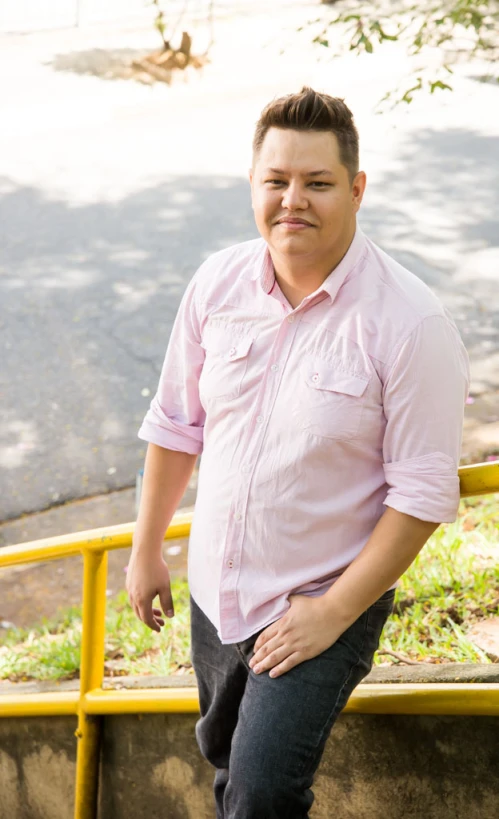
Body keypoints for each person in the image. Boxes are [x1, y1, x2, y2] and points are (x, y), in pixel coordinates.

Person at [126, 87, 470, 818]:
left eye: (316, 183)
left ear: (355, 188)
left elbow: (422, 493)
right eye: (276, 181)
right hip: (214, 593)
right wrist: (145, 547)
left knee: (261, 791)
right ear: (253, 185)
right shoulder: (216, 283)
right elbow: (175, 423)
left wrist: (333, 611)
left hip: (321, 598)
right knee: (226, 765)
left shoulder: (409, 323)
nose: (294, 201)